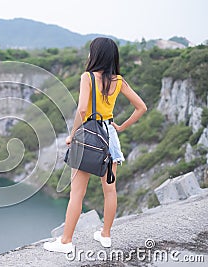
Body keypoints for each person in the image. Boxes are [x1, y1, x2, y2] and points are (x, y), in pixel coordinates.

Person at [43, 37, 147, 253]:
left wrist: (73, 135)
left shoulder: (87, 77)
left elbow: (82, 110)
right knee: (110, 190)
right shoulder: (119, 81)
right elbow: (141, 107)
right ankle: (106, 235)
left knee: (77, 194)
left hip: (89, 134)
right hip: (109, 135)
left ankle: (66, 242)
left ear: (96, 55)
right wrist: (120, 127)